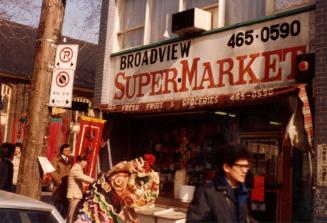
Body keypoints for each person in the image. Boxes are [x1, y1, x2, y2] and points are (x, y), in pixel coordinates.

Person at [186, 144, 251, 223]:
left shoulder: (242, 191)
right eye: (241, 166)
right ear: (226, 167)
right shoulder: (207, 192)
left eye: (246, 166)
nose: (245, 171)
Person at [66, 155, 95, 223]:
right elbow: (83, 177)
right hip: (74, 196)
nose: (85, 163)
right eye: (84, 161)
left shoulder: (78, 169)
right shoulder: (76, 169)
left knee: (74, 215)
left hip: (76, 195)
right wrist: (95, 181)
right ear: (79, 161)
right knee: (71, 215)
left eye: (86, 162)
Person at [50, 144, 73, 218]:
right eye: (66, 150)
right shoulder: (56, 160)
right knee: (57, 207)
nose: (68, 152)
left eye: (69, 150)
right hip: (59, 187)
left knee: (65, 209)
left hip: (67, 187)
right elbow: (52, 171)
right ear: (62, 151)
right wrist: (59, 180)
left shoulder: (71, 160)